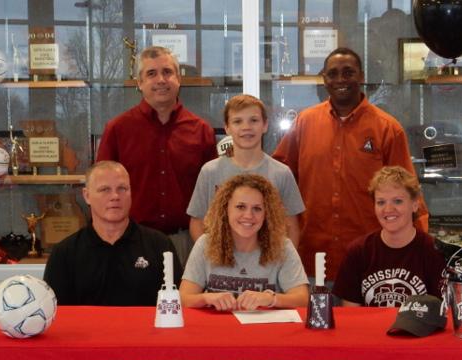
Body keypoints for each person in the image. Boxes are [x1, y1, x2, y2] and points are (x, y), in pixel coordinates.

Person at [273, 46, 429, 279]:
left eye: (348, 73)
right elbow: (279, 179)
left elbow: (408, 192)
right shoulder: (304, 123)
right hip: (311, 261)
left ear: (362, 77)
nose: (340, 80)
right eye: (333, 74)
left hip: (371, 262)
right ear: (324, 79)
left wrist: (418, 249)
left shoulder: (387, 128)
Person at [96, 46, 217, 265]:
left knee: (186, 300)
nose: (161, 80)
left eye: (167, 72)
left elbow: (214, 196)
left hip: (187, 243)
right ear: (139, 83)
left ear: (178, 79)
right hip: (131, 242)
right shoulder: (117, 130)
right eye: (151, 74)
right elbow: (101, 191)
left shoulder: (201, 131)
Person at [44, 160, 181, 306]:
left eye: (122, 188)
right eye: (105, 190)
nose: (115, 196)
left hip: (144, 329)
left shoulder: (159, 245)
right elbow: (56, 315)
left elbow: (177, 306)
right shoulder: (64, 253)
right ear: (87, 196)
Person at [187, 94, 304, 247]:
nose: (246, 127)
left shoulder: (282, 173)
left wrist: (283, 265)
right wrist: (213, 259)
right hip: (221, 266)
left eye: (254, 120)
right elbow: (197, 223)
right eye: (237, 121)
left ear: (265, 125)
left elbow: (291, 227)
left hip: (267, 266)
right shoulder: (210, 171)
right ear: (227, 128)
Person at [180, 173, 309, 311]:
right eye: (241, 207)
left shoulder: (283, 246)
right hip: (218, 328)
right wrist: (206, 298)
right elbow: (183, 298)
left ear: (267, 213)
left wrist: (270, 298)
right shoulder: (205, 243)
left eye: (257, 208)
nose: (248, 215)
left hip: (265, 329)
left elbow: (303, 299)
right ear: (226, 209)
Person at [332, 166, 445, 307]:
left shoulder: (434, 252)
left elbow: (442, 314)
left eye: (397, 201)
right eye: (381, 202)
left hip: (418, 329)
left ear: (415, 204)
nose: (388, 209)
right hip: (369, 328)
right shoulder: (358, 252)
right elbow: (351, 315)